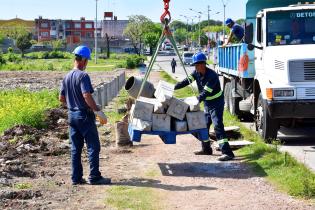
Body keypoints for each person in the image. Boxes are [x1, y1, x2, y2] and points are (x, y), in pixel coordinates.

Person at [59, 45, 111, 185]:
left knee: (76, 148)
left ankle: (76, 178)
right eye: (87, 60)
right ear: (82, 60)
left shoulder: (66, 76)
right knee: (93, 146)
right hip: (84, 115)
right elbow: (86, 95)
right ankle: (94, 177)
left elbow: (61, 99)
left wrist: (73, 105)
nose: (87, 63)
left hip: (72, 115)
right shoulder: (83, 76)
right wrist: (97, 110)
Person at [174, 52, 235, 161]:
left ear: (203, 64)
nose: (196, 67)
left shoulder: (212, 76)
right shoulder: (196, 73)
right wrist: (173, 87)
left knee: (217, 126)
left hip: (216, 104)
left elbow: (205, 93)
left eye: (197, 65)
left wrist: (195, 100)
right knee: (203, 126)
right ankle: (206, 149)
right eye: (195, 65)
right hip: (207, 103)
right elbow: (186, 81)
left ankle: (227, 153)